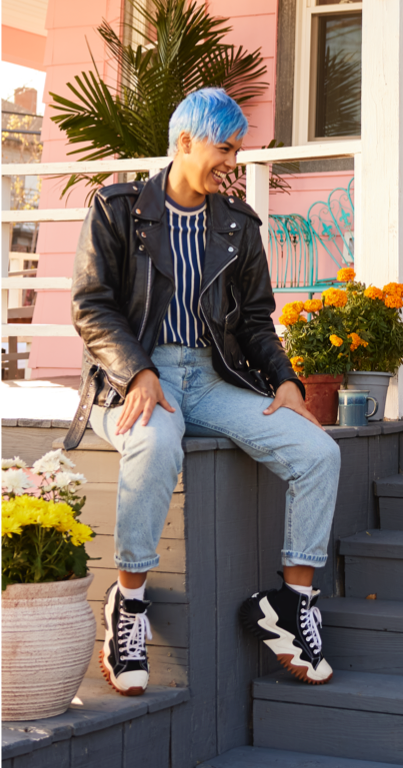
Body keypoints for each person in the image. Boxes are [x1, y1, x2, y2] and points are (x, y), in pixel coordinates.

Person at [66, 88, 341, 695]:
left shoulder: (237, 226)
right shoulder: (117, 209)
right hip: (135, 376)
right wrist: (136, 371)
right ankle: (128, 605)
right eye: (225, 148)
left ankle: (294, 605)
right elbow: (91, 305)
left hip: (214, 379)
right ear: (185, 142)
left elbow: (254, 320)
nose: (232, 163)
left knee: (320, 452)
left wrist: (288, 383)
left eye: (237, 152)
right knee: (154, 444)